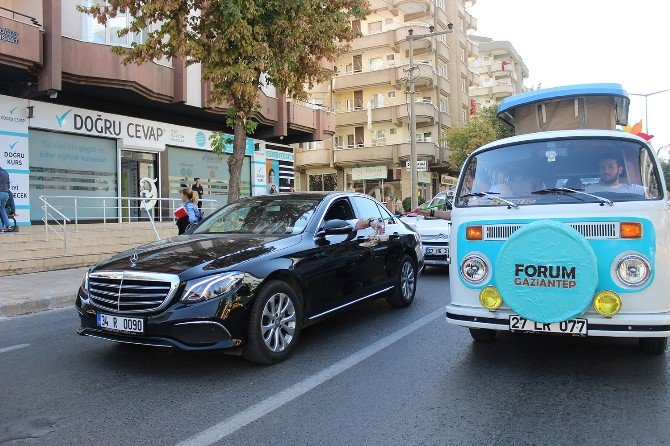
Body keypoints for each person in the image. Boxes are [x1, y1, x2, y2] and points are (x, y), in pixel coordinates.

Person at [0, 167, 11, 233]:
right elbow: (8, 184)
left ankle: (1, 228)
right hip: (6, 193)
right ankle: (8, 225)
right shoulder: (5, 172)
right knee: (2, 209)